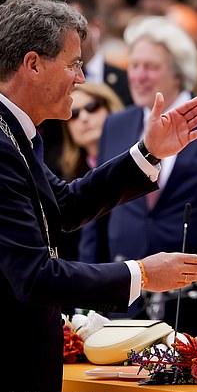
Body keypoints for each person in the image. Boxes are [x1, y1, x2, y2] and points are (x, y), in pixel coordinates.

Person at [0, 0, 197, 392]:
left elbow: (62, 204)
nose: (82, 77)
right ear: (32, 64)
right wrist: (141, 274)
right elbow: (34, 277)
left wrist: (148, 152)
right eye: (73, 64)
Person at [77, 15, 197, 334]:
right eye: (133, 66)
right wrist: (89, 288)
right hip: (122, 300)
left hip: (192, 303)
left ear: (178, 72)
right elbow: (98, 210)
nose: (137, 76)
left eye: (150, 67)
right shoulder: (116, 124)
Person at [57, 83, 124, 261]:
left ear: (110, 108)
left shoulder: (137, 163)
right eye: (75, 114)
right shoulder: (64, 180)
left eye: (92, 107)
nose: (84, 118)